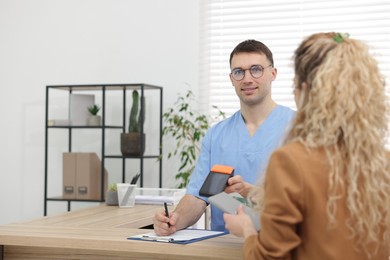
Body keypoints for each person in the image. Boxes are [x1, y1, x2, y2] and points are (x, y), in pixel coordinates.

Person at [224, 32, 390, 259]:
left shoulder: (291, 161)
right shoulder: (383, 162)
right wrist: (259, 193)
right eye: (239, 72)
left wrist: (246, 228)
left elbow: (269, 257)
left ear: (305, 92)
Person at [153, 39, 295, 235]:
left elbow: (313, 202)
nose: (247, 78)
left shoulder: (300, 129)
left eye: (256, 69)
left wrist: (255, 193)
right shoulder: (216, 135)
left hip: (282, 247)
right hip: (222, 247)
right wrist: (175, 220)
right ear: (231, 78)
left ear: (273, 73)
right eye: (239, 72)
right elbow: (197, 196)